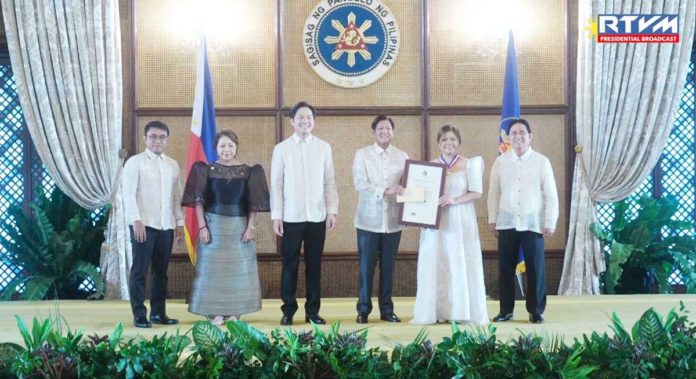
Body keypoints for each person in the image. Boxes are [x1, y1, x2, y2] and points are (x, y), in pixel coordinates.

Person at [182, 130, 270, 325]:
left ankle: (233, 312)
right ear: (216, 149)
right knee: (213, 272)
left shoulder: (249, 171)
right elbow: (198, 201)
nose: (226, 149)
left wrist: (250, 227)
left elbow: (253, 203)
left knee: (237, 272)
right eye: (222, 146)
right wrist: (203, 227)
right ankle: (215, 313)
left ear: (236, 146)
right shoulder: (205, 170)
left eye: (230, 145)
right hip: (213, 227)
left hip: (239, 228)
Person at [411, 125, 489, 325]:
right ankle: (435, 311)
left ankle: (460, 311)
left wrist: (454, 199)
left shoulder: (469, 164)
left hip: (459, 221)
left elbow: (477, 193)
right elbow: (420, 197)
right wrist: (419, 216)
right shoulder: (429, 167)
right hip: (436, 224)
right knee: (436, 262)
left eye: (453, 139)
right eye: (445, 139)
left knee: (459, 260)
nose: (449, 143)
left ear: (459, 142)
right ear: (439, 143)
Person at [271, 101, 339, 326]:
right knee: (289, 264)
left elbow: (329, 181)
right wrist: (276, 216)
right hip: (291, 216)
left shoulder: (323, 147)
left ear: (314, 121)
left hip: (317, 216)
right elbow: (276, 184)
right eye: (300, 117)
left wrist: (332, 211)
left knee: (314, 265)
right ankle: (288, 310)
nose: (305, 121)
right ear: (291, 121)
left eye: (309, 117)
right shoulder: (281, 148)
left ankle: (312, 311)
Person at [488, 118, 558, 324]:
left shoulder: (541, 161)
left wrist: (550, 221)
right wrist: (493, 219)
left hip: (533, 222)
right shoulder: (500, 162)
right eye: (514, 134)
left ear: (530, 137)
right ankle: (505, 310)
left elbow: (550, 194)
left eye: (522, 133)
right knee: (505, 269)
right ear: (508, 138)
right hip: (507, 222)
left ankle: (535, 311)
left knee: (535, 268)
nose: (518, 137)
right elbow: (494, 193)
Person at [122, 120, 184, 328]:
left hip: (166, 225)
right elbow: (128, 194)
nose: (157, 141)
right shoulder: (134, 162)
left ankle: (159, 313)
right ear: (145, 139)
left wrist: (179, 222)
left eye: (162, 137)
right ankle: (139, 314)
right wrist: (135, 220)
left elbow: (176, 197)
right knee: (140, 270)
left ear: (167, 140)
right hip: (143, 225)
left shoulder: (172, 165)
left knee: (161, 272)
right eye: (153, 137)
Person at [352, 115, 408, 324]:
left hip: (393, 221)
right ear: (374, 132)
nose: (384, 132)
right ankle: (363, 309)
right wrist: (384, 190)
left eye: (388, 129)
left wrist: (408, 192)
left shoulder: (402, 156)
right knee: (366, 267)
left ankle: (387, 309)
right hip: (368, 220)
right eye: (380, 129)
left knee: (388, 267)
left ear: (393, 132)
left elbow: (408, 184)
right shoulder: (363, 154)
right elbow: (359, 183)